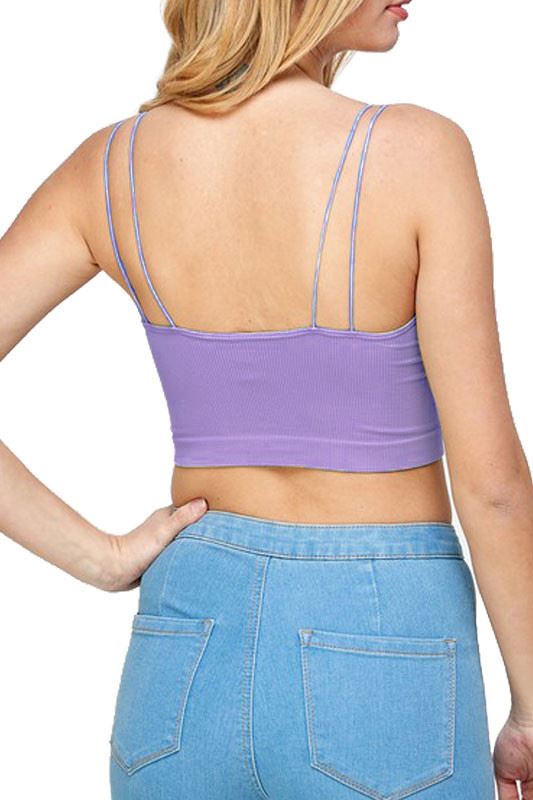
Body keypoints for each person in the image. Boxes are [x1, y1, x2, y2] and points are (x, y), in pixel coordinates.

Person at [1, 1, 532, 798]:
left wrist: (101, 558)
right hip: (381, 638)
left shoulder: (111, 166)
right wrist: (530, 707)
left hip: (185, 635)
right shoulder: (418, 152)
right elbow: (492, 489)